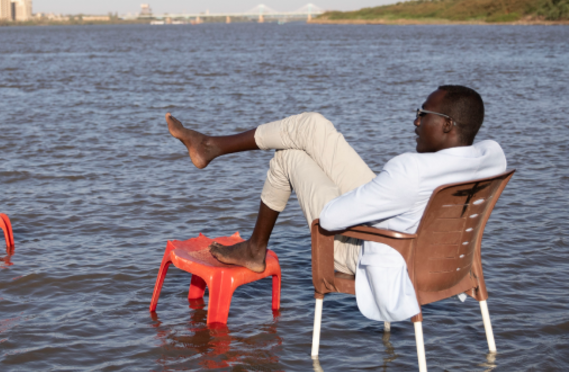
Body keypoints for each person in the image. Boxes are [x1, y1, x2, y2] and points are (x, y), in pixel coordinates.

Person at [166, 85, 507, 322]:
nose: (416, 121)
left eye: (423, 114)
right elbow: (404, 190)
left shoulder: (411, 170)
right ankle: (210, 145)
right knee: (312, 127)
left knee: (289, 158)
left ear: (447, 124)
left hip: (381, 255)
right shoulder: (492, 157)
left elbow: (330, 219)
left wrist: (349, 190)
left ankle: (255, 248)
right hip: (438, 257)